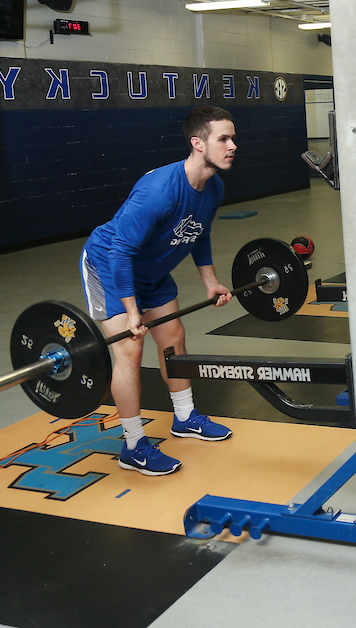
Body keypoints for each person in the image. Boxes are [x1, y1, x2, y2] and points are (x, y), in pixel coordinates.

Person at [80, 106, 237, 476]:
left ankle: (184, 417)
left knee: (173, 337)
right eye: (223, 139)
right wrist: (132, 311)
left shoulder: (214, 186)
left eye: (233, 138)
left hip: (151, 272)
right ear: (198, 144)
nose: (233, 146)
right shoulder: (158, 191)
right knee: (129, 349)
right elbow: (120, 252)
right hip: (110, 266)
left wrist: (210, 282)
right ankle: (133, 445)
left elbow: (199, 232)